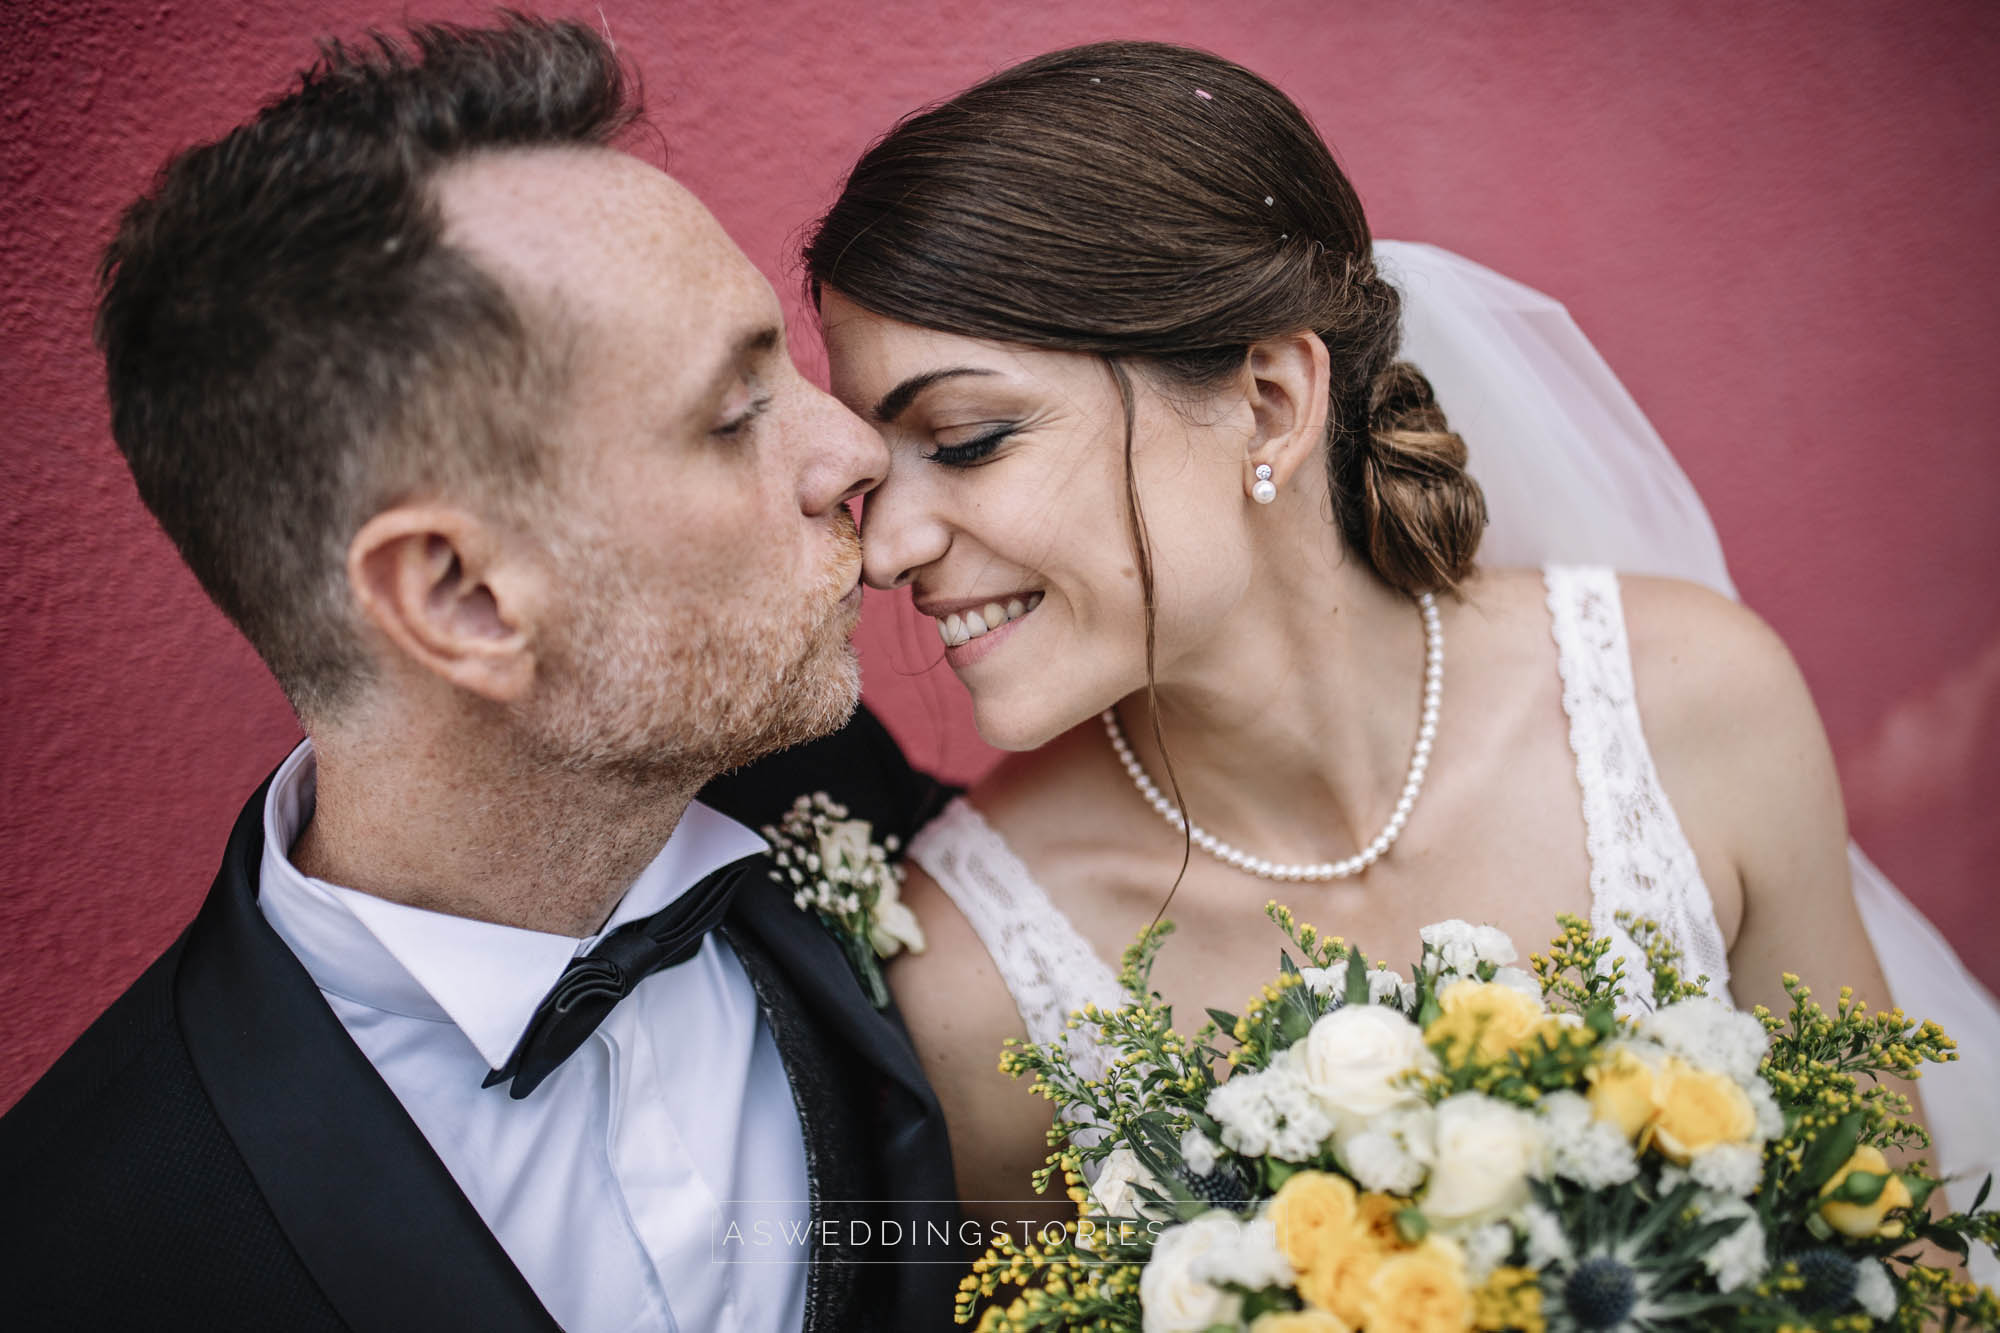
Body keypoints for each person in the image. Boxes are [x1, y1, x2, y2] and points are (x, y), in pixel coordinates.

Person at [802, 38, 2000, 1241]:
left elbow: (1900, 1265)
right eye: (871, 473)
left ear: (1268, 403)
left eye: (964, 440)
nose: (885, 548)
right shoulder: (974, 978)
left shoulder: (1685, 705)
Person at [0, 16, 958, 1331]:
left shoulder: (846, 802)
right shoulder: (81, 1249)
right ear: (460, 598)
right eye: (734, 415)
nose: (852, 451)